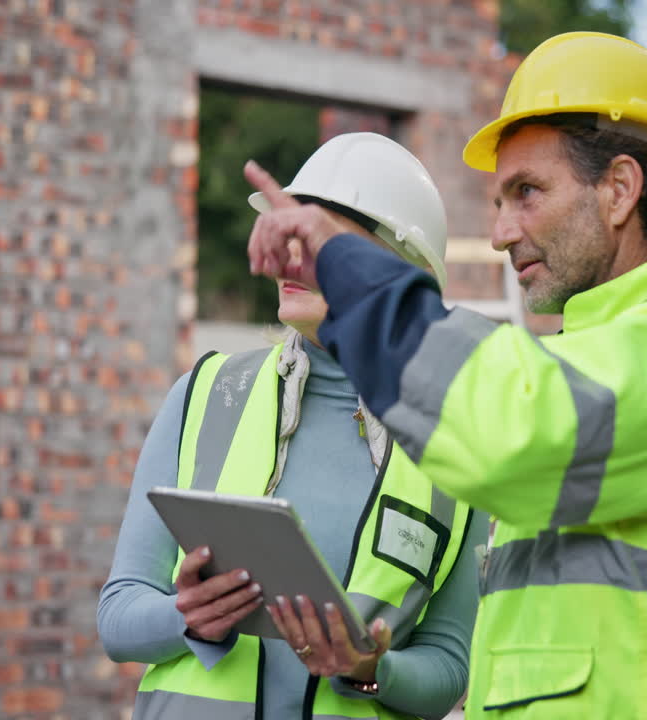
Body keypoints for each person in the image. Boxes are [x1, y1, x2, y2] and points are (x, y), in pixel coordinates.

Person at [243, 32, 647, 719]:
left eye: (527, 192)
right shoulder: (598, 354)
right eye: (499, 200)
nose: (499, 231)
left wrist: (347, 267)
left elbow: (506, 428)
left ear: (618, 190)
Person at [99, 132, 485, 720]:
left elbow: (451, 664)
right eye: (288, 233)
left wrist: (372, 668)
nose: (289, 256)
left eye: (320, 241)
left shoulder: (464, 441)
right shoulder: (206, 395)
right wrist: (187, 616)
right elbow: (118, 618)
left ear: (400, 271)